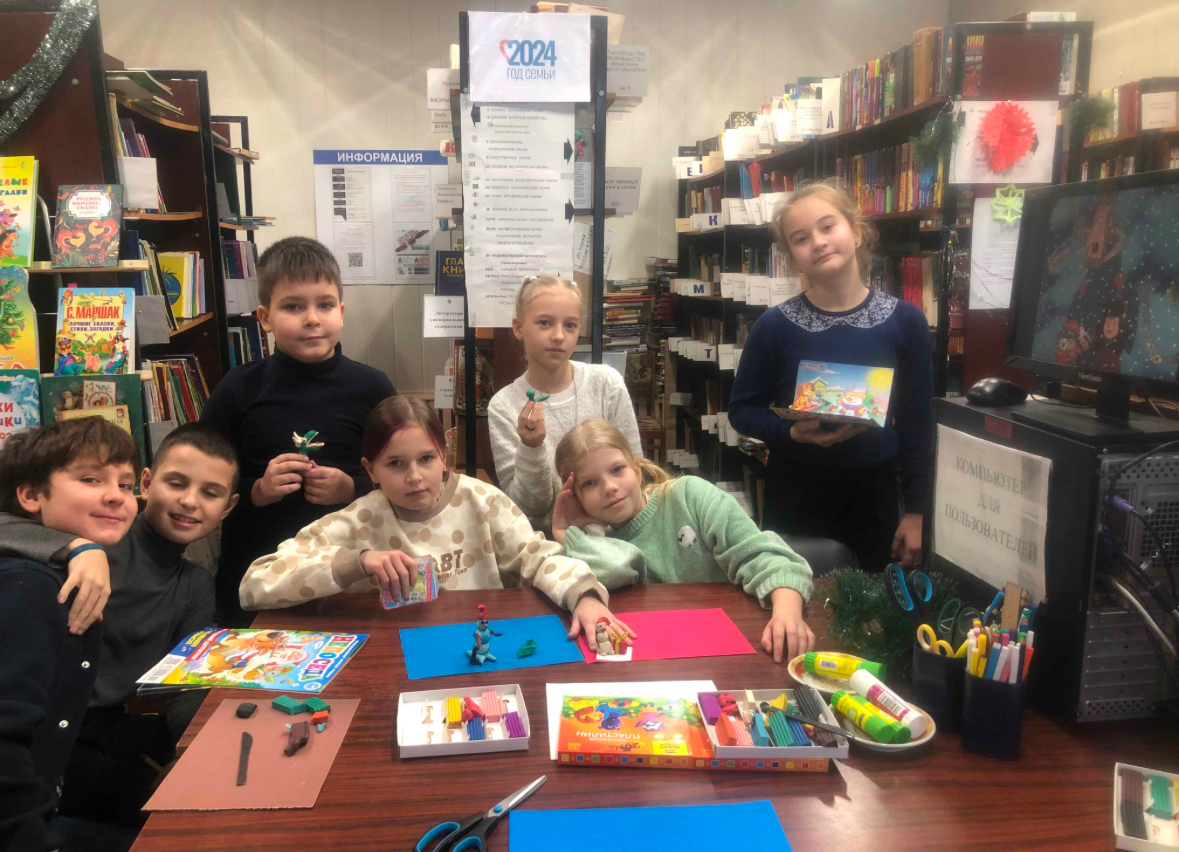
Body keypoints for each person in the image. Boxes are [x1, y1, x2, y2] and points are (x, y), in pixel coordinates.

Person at [241, 395, 633, 645]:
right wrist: (355, 562)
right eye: (395, 464)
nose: (414, 477)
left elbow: (539, 557)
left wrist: (584, 597)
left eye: (426, 459)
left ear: (444, 455)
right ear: (370, 469)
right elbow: (255, 584)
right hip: (393, 653)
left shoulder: (482, 501)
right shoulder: (359, 519)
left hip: (483, 646)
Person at [0, 423, 240, 829]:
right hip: (48, 734)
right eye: (176, 483)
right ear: (147, 483)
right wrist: (76, 547)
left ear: (228, 506)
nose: (189, 502)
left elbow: (187, 680)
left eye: (210, 493)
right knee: (174, 811)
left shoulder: (194, 583)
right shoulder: (101, 532)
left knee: (220, 779)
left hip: (106, 726)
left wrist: (194, 749)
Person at [728, 179, 932, 570]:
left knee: (875, 604)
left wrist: (918, 511)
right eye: (801, 238)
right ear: (793, 257)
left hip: (877, 503)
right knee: (794, 600)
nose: (818, 242)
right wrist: (790, 432)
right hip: (796, 500)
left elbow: (918, 425)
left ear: (856, 232)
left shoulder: (905, 321)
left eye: (827, 226)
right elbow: (742, 410)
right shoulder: (774, 326)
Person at [201, 236, 395, 625]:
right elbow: (203, 478)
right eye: (293, 306)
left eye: (325, 305)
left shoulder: (373, 388)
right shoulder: (239, 388)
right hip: (258, 574)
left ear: (341, 312)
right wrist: (257, 490)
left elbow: (405, 474)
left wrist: (353, 487)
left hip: (355, 575)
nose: (312, 319)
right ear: (265, 318)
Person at [551, 418, 814, 664]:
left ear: (637, 470)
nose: (609, 487)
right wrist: (564, 533)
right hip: (664, 657)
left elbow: (767, 557)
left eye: (617, 469)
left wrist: (787, 613)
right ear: (575, 496)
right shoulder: (591, 540)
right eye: (589, 483)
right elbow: (618, 568)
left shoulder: (689, 495)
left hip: (732, 644)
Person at [0, 418, 138, 851]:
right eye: (90, 479)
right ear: (30, 495)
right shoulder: (31, 587)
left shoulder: (58, 574)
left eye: (127, 484)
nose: (116, 495)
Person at [488, 275, 642, 528]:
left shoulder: (606, 384)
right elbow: (528, 508)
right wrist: (531, 448)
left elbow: (637, 470)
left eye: (570, 325)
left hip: (619, 534)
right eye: (545, 323)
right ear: (518, 328)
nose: (559, 336)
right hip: (551, 542)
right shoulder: (504, 406)